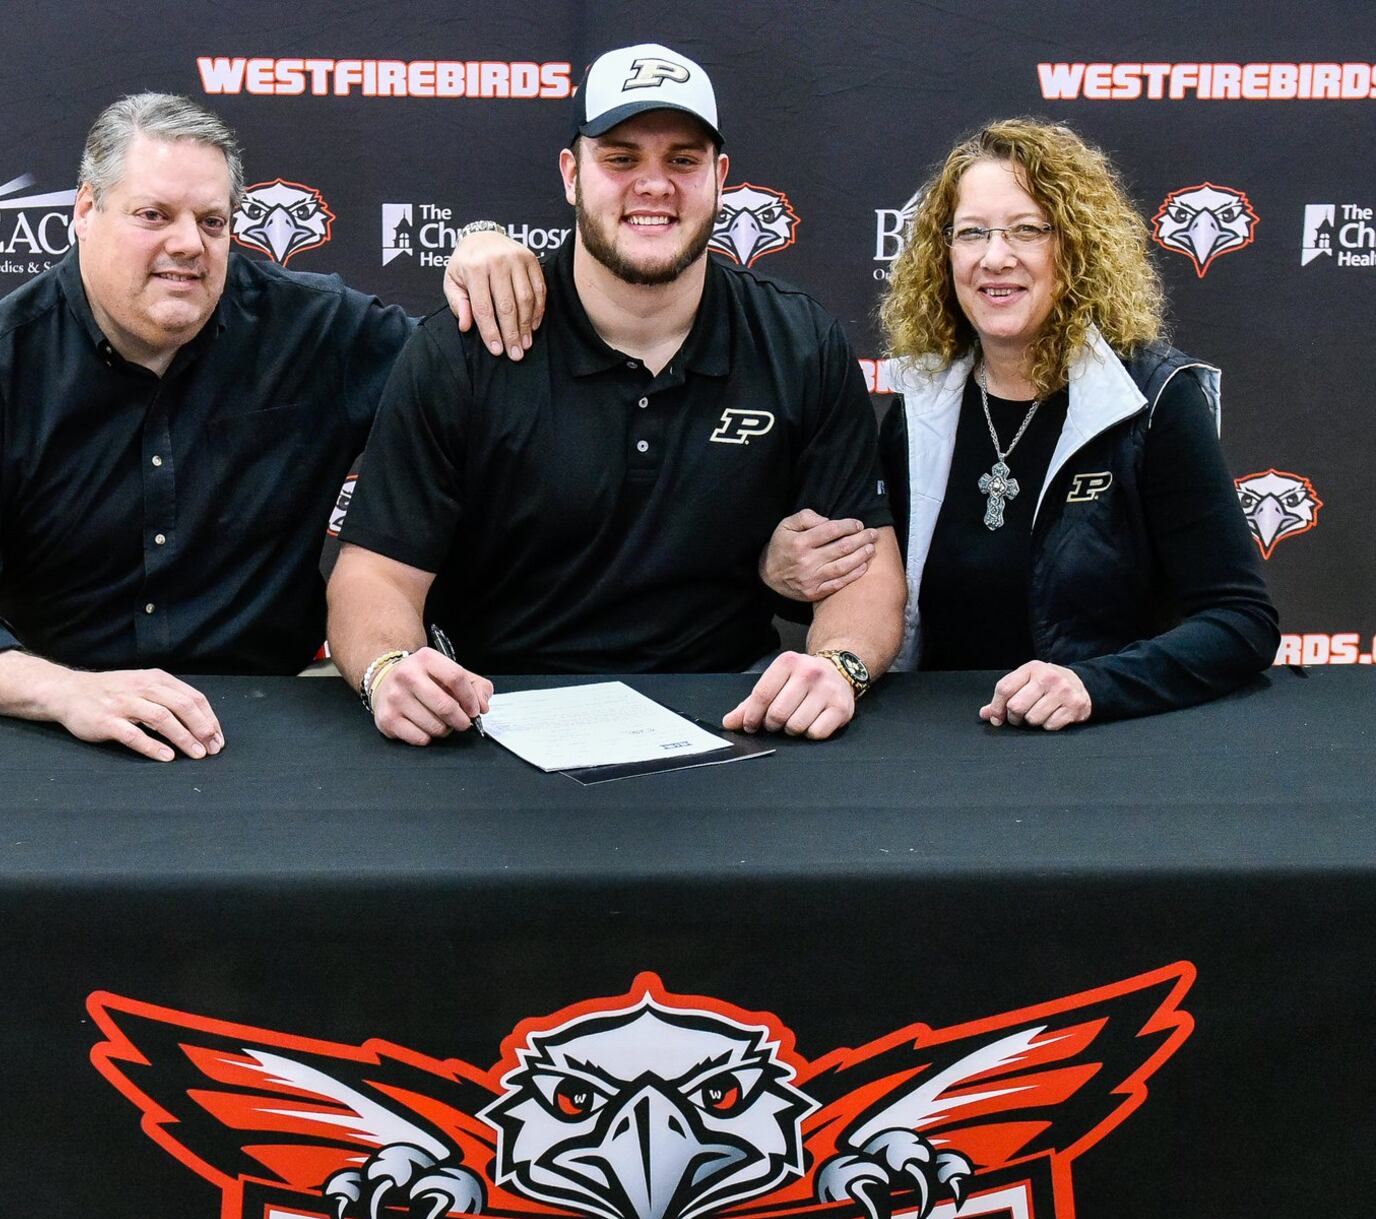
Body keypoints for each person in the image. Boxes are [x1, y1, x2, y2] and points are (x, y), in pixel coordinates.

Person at [0, 92, 543, 762]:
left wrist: (480, 244)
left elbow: (454, 377)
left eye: (212, 222)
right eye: (153, 215)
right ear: (85, 211)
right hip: (63, 735)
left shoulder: (316, 331)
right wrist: (67, 694)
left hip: (277, 724)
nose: (188, 244)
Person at [326, 43, 903, 746]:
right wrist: (389, 668)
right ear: (572, 175)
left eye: (682, 161)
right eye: (621, 159)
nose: (653, 185)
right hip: (492, 715)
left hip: (728, 714)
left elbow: (866, 569)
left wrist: (839, 665)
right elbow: (374, 576)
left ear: (720, 178)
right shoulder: (467, 345)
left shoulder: (798, 342)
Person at [768, 118, 1277, 728]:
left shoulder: (1152, 399)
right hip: (936, 744)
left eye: (1028, 230)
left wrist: (1094, 685)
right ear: (943, 254)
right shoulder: (921, 406)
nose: (995, 258)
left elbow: (1240, 621)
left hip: (1098, 751)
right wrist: (783, 579)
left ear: (1078, 248)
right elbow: (867, 592)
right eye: (972, 233)